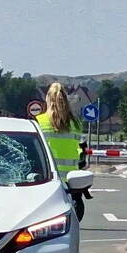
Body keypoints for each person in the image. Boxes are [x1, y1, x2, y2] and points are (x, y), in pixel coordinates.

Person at [34, 82, 91, 219]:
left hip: (46, 180)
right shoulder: (75, 124)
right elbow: (81, 153)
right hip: (71, 182)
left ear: (47, 99)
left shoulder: (39, 122)